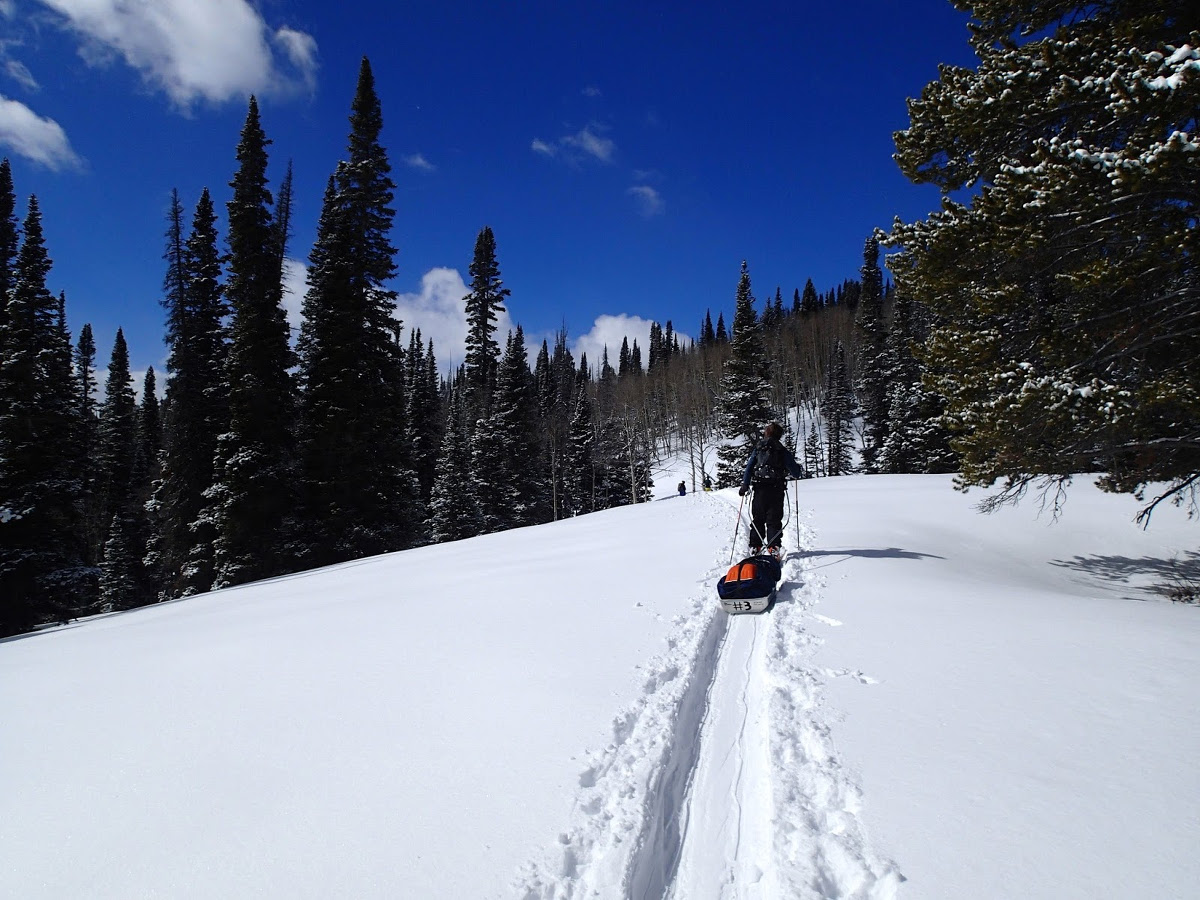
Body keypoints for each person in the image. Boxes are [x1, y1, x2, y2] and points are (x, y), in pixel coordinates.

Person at [738, 421, 804, 555]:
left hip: (760, 488)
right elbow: (796, 472)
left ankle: (755, 547)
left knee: (758, 518)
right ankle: (773, 547)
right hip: (776, 489)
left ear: (766, 433)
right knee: (773, 519)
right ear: (779, 435)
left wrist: (745, 485)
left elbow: (749, 467)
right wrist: (798, 469)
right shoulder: (781, 449)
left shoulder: (759, 448)